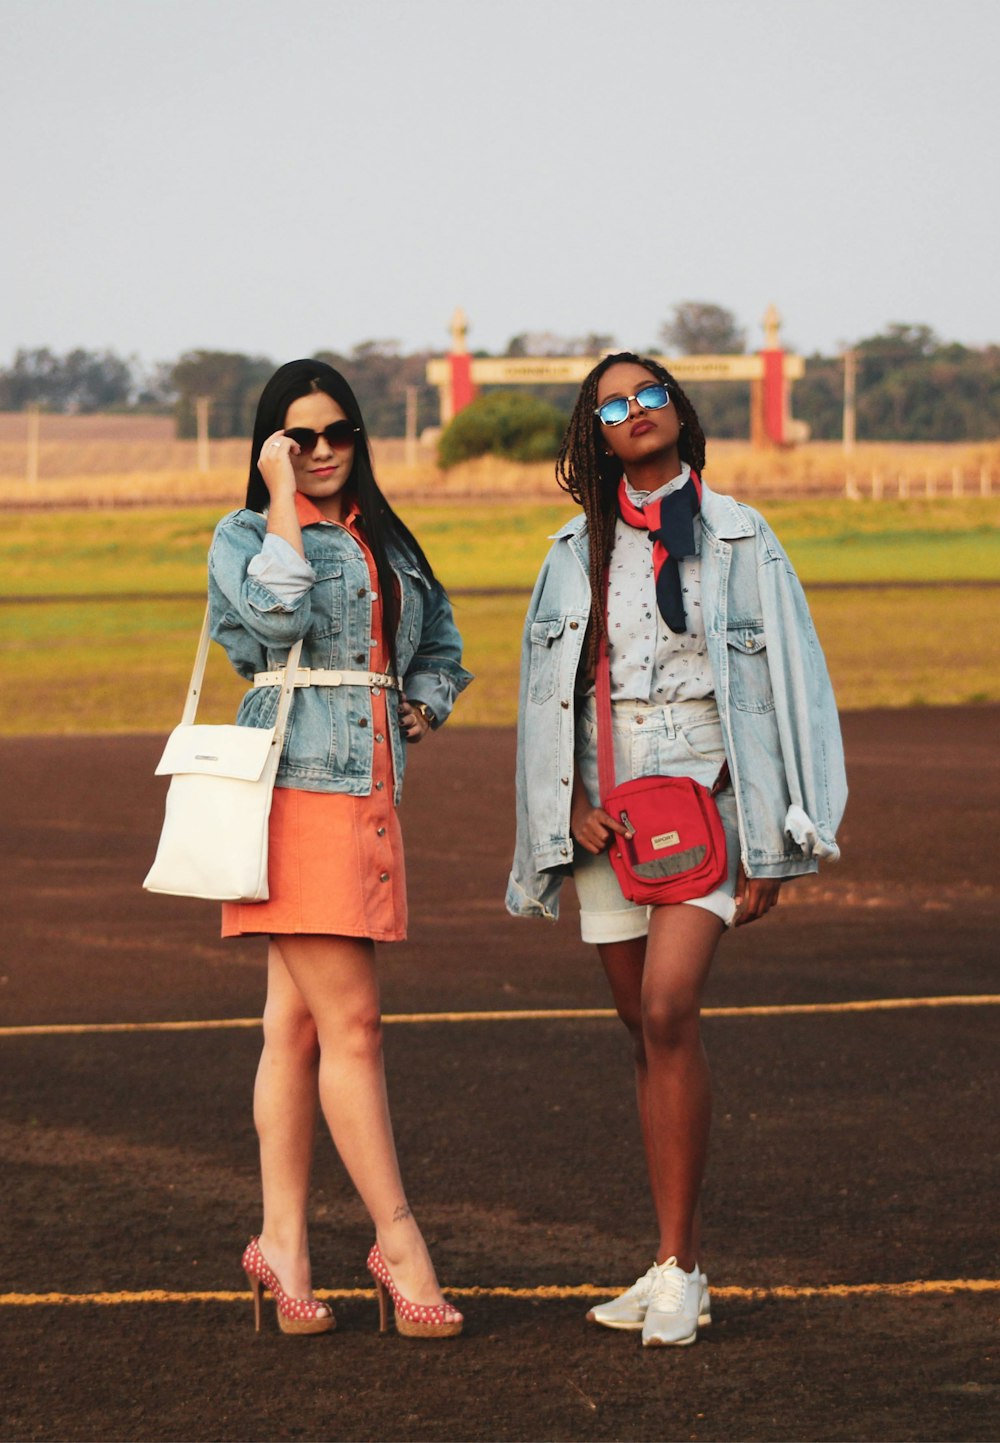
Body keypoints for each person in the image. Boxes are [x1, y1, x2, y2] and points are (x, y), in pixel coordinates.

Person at [507, 352, 846, 1347]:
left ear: (677, 412)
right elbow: (550, 693)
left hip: (709, 789)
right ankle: (666, 1264)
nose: (633, 411)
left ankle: (682, 1272)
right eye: (612, 404)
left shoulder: (743, 536)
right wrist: (562, 800)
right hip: (608, 807)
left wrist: (773, 834)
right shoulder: (573, 549)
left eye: (648, 394)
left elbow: (793, 682)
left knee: (667, 1007)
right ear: (594, 433)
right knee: (643, 1028)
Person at [208, 359, 472, 1338]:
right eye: (298, 437)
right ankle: (397, 1243)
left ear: (360, 439)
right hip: (293, 794)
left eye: (337, 434)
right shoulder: (247, 534)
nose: (321, 452)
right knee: (353, 1024)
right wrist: (280, 499)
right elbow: (273, 616)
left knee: (298, 1028)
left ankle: (280, 1243)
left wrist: (422, 704)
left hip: (365, 794)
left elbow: (441, 643)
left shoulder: (386, 542)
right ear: (273, 445)